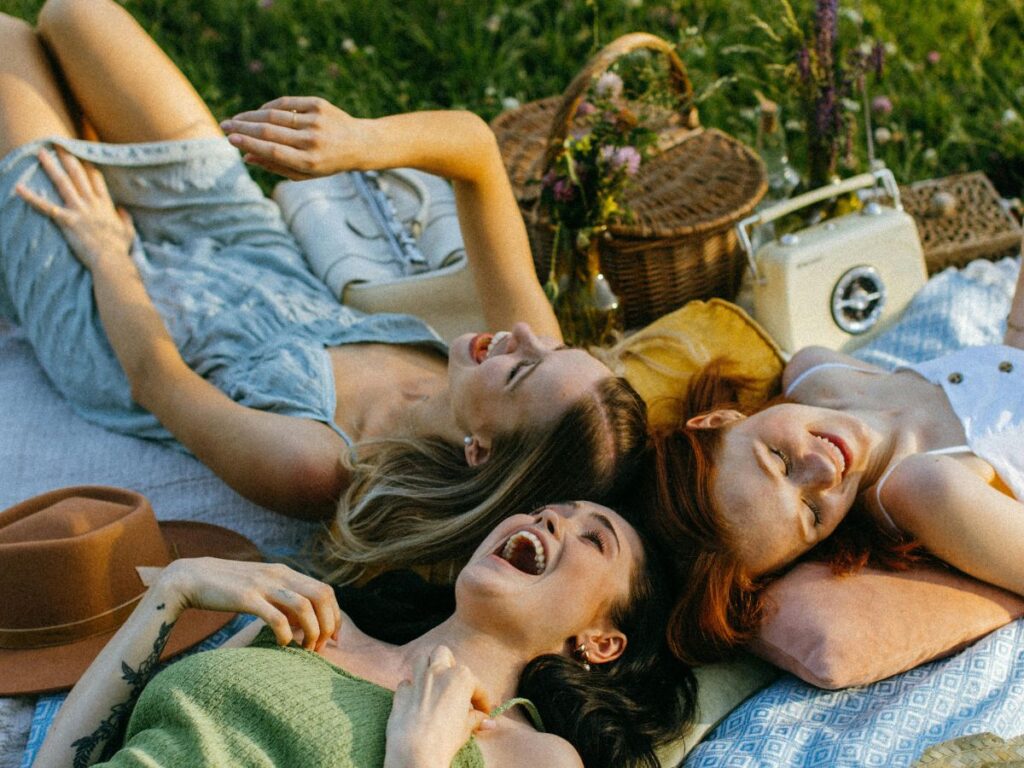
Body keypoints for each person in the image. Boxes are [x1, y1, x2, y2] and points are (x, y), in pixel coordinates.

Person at [0, 0, 647, 570]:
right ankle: (70, 140)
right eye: (554, 348)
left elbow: (156, 377)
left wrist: (108, 249)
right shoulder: (519, 354)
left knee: (6, 43)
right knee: (74, 14)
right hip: (246, 247)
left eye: (521, 371)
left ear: (479, 450)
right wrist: (357, 141)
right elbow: (475, 151)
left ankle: (66, 161)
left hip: (123, 317)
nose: (525, 336)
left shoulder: (319, 466)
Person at [31, 501, 696, 768]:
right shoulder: (315, 623)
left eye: (591, 537)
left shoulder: (531, 755)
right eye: (549, 509)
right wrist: (171, 592)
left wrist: (415, 762)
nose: (551, 521)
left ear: (602, 641)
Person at [644, 248, 1024, 665]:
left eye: (779, 460)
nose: (823, 471)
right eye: (812, 514)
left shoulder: (814, 373)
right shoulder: (923, 487)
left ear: (719, 419)